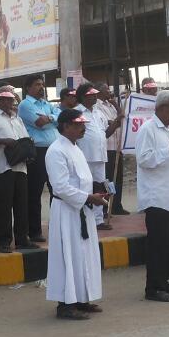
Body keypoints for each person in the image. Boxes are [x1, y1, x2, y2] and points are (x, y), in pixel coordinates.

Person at [45, 109, 109, 320]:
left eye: (83, 124)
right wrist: (88, 197)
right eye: (78, 125)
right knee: (68, 255)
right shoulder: (56, 151)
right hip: (67, 211)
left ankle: (82, 298)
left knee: (84, 254)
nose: (83, 128)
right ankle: (65, 305)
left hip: (82, 208)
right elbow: (61, 187)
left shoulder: (76, 148)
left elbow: (82, 180)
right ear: (65, 126)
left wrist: (94, 194)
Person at [135, 90, 169, 301]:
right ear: (161, 108)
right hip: (156, 197)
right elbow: (144, 160)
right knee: (157, 245)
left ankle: (164, 280)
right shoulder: (148, 129)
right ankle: (153, 288)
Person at [0, 89, 37, 253]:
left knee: (21, 205)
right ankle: (3, 241)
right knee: (3, 207)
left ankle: (22, 239)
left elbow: (24, 139)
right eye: (3, 99)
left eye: (9, 100)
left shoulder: (17, 119)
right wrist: (3, 141)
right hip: (1, 168)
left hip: (20, 166)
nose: (6, 102)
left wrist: (27, 152)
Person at [18, 74, 58, 243]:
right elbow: (39, 123)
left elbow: (61, 118)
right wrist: (52, 119)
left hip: (53, 151)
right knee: (34, 192)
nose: (41, 87)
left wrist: (51, 118)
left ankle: (57, 226)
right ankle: (34, 231)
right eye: (37, 84)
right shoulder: (25, 105)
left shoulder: (46, 104)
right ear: (28, 88)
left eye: (42, 84)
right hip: (37, 152)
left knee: (57, 190)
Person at [75, 83, 114, 230]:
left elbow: (105, 133)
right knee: (85, 187)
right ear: (83, 97)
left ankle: (98, 220)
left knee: (100, 187)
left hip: (100, 155)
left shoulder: (99, 113)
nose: (94, 97)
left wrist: (116, 124)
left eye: (95, 94)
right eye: (90, 95)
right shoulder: (77, 112)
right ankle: (84, 217)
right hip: (84, 155)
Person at [95, 83, 127, 215]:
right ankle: (106, 206)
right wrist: (116, 121)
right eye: (106, 89)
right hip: (107, 147)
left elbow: (122, 117)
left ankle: (117, 205)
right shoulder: (97, 106)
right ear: (99, 92)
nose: (109, 91)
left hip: (117, 146)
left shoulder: (110, 105)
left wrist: (116, 104)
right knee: (108, 179)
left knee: (118, 178)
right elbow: (110, 123)